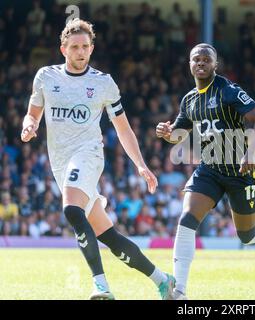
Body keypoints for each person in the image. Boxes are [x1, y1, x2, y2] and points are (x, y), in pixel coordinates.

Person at [20, 18, 175, 300]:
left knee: (70, 209)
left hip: (88, 155)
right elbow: (33, 113)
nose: (81, 52)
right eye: (75, 47)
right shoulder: (46, 77)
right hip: (60, 162)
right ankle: (163, 280)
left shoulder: (103, 83)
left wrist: (141, 164)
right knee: (109, 237)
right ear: (63, 49)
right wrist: (28, 125)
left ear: (92, 49)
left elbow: (123, 128)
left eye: (85, 47)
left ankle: (100, 285)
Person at [156, 43, 255, 300]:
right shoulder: (189, 100)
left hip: (240, 171)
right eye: (196, 59)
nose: (201, 63)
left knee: (247, 235)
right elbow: (179, 133)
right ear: (190, 64)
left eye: (206, 59)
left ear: (215, 65)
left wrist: (251, 154)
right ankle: (179, 291)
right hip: (209, 167)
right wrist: (167, 134)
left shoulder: (228, 91)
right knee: (186, 219)